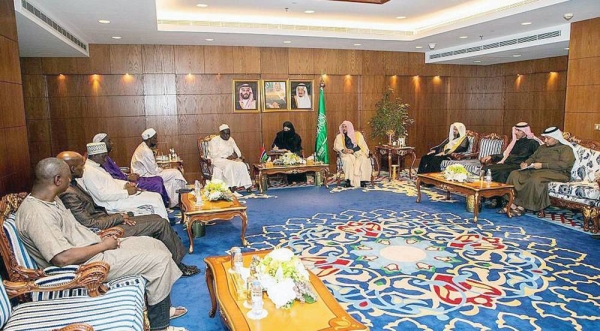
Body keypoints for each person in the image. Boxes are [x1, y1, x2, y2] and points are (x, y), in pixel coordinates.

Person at [15, 157, 187, 331]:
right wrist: (104, 246)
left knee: (154, 244)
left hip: (93, 249)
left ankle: (158, 309)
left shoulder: (52, 199)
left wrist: (101, 236)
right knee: (159, 259)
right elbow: (62, 258)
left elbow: (74, 232)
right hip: (86, 266)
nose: (71, 181)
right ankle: (160, 326)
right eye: (68, 178)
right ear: (57, 180)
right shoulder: (37, 214)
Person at [57, 151, 199, 277]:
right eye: (81, 165)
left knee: (157, 218)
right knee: (160, 224)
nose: (84, 167)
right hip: (103, 232)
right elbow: (89, 224)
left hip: (108, 220)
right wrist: (118, 218)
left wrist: (119, 217)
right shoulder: (68, 193)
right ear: (72, 169)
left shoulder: (73, 184)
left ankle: (174, 257)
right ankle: (178, 265)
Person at [81, 142, 169, 219]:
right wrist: (126, 192)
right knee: (154, 201)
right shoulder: (89, 171)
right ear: (94, 156)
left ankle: (166, 224)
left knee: (156, 196)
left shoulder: (96, 166)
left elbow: (112, 181)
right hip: (112, 203)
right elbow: (102, 196)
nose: (105, 159)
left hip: (119, 196)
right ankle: (163, 226)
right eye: (103, 156)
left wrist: (126, 184)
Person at [505, 127, 576, 216]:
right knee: (515, 174)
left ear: (556, 138)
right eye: (545, 138)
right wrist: (526, 163)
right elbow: (532, 157)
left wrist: (543, 165)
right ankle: (512, 203)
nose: (545, 141)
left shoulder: (566, 149)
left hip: (558, 173)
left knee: (535, 179)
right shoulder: (542, 147)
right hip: (538, 170)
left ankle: (523, 206)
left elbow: (564, 165)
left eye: (548, 138)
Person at [93, 133, 169, 206]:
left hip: (126, 179)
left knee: (158, 179)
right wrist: (128, 179)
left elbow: (117, 173)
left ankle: (166, 205)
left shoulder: (106, 158)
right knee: (156, 183)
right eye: (109, 141)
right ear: (101, 144)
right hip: (124, 183)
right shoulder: (101, 161)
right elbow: (111, 179)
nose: (112, 143)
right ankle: (164, 204)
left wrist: (128, 175)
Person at [130, 128, 187, 208]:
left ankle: (175, 200)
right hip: (145, 176)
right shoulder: (146, 150)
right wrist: (163, 169)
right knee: (176, 173)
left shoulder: (142, 146)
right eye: (155, 138)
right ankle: (179, 200)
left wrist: (162, 168)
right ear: (149, 139)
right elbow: (154, 171)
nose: (156, 140)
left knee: (174, 173)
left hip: (147, 173)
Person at [207, 124, 253, 195]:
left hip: (229, 160)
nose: (227, 136)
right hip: (218, 160)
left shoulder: (231, 139)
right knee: (229, 166)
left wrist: (237, 156)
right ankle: (232, 186)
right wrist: (226, 156)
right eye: (225, 134)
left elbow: (237, 151)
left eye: (228, 134)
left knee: (241, 165)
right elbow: (213, 154)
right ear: (220, 133)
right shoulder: (214, 140)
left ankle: (247, 186)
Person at [333, 120, 372, 188]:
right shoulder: (340, 136)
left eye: (345, 127)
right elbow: (337, 146)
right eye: (343, 127)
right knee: (348, 161)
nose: (344, 128)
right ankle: (348, 180)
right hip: (346, 154)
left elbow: (362, 145)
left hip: (358, 152)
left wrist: (353, 150)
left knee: (363, 160)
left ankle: (362, 181)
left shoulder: (358, 135)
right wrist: (343, 150)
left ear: (349, 127)